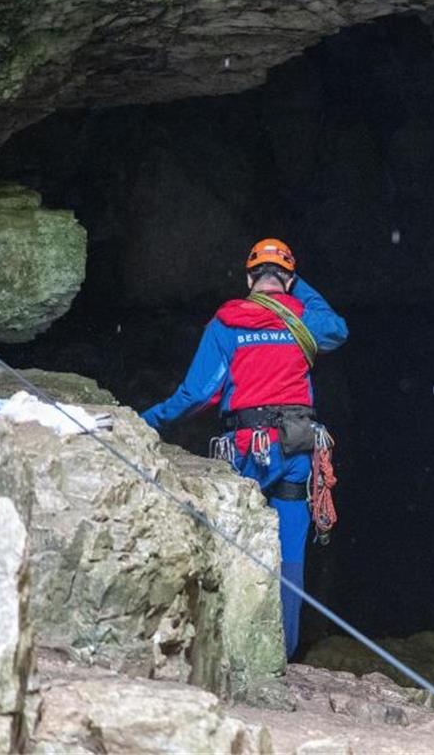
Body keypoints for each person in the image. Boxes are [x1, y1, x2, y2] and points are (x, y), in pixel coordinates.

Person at [140, 238, 348, 659]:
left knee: (238, 548)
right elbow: (338, 328)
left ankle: (234, 649)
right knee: (290, 557)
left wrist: (147, 421)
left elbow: (196, 394)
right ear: (288, 280)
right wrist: (292, 283)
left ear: (249, 277)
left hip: (247, 451)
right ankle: (283, 653)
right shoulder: (306, 320)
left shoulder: (228, 323)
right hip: (297, 451)